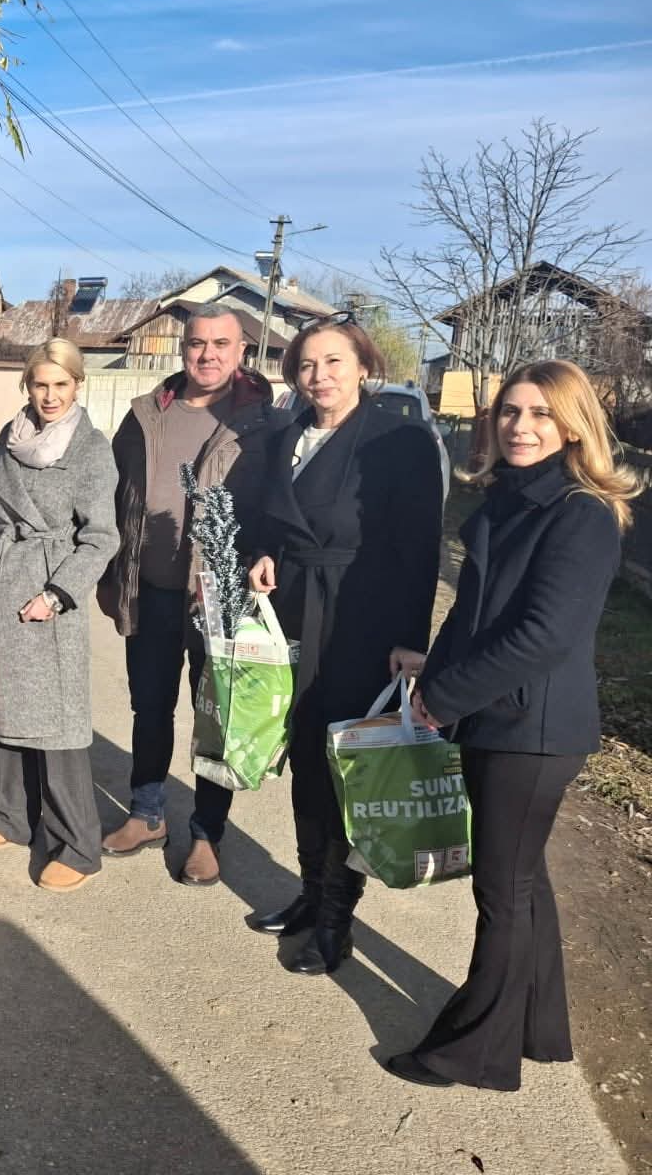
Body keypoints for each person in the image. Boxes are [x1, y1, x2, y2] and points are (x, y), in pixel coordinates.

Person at [381, 360, 638, 1091]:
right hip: (500, 716)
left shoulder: (581, 512)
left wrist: (446, 697)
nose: (521, 427)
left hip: (532, 728)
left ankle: (475, 1052)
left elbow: (544, 636)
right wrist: (432, 670)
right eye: (510, 412)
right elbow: (476, 613)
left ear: (573, 426)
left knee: (503, 892)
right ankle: (537, 1027)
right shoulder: (510, 497)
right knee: (524, 882)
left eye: (541, 414)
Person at [246, 316, 442, 972]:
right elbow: (270, 518)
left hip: (362, 620)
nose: (319, 376)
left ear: (363, 366)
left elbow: (419, 550)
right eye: (306, 364)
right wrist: (264, 553)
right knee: (305, 761)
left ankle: (337, 921)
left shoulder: (399, 439)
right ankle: (309, 894)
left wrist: (411, 642)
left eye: (334, 361)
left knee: (344, 770)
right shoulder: (288, 434)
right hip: (296, 614)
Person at [96, 305, 280, 887]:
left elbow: (278, 507)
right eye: (198, 343)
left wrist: (263, 556)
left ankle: (206, 834)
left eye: (221, 344)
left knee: (215, 719)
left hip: (219, 600)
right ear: (183, 349)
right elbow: (111, 492)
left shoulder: (261, 424)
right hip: (149, 590)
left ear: (242, 351)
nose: (208, 354)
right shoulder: (145, 413)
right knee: (149, 708)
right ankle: (147, 813)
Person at [0, 338, 120, 892]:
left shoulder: (91, 448)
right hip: (3, 576)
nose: (50, 395)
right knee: (2, 705)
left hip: (51, 591)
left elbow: (102, 538)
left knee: (57, 720)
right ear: (27, 386)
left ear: (78, 384)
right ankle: (9, 816)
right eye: (40, 384)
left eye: (61, 384)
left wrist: (56, 594)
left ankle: (76, 844)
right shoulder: (11, 437)